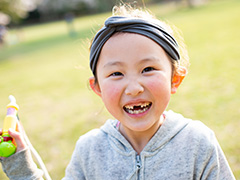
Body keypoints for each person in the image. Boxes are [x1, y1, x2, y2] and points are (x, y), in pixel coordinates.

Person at [0, 4, 236, 180]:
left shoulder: (197, 143)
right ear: (98, 88)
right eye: (116, 74)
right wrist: (22, 167)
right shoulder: (89, 151)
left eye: (148, 69)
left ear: (175, 79)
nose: (134, 88)